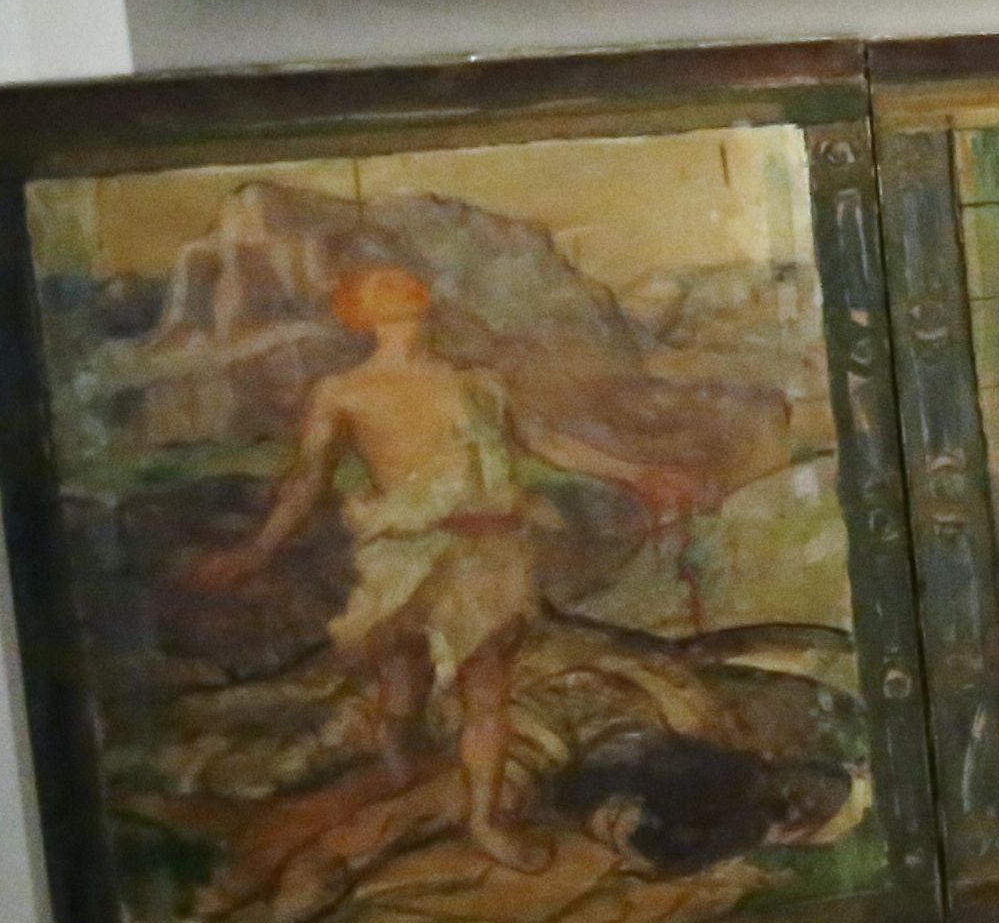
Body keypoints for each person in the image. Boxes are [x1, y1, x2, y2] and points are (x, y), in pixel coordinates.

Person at [208, 265, 696, 882]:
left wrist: (636, 472)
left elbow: (545, 441)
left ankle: (486, 822)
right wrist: (259, 550)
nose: (398, 293)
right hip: (401, 560)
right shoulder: (342, 391)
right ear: (357, 313)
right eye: (380, 288)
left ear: (426, 302)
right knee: (403, 694)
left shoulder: (478, 383)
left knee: (485, 695)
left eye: (405, 286)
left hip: (486, 558)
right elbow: (308, 479)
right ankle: (404, 783)